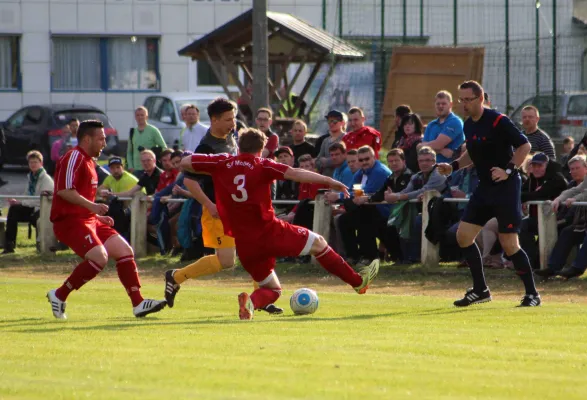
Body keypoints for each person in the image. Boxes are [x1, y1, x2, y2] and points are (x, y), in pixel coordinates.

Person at [180, 128, 380, 320]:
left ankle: (251, 302)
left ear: (239, 146)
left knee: (273, 290)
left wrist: (212, 166)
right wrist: (329, 181)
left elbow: (186, 162)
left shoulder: (222, 162)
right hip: (270, 232)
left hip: (244, 244)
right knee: (319, 243)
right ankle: (357, 282)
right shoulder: (262, 165)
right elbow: (296, 173)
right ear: (260, 149)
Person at [163, 98, 284, 315]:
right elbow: (189, 181)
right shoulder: (206, 146)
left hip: (237, 208)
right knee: (226, 261)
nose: (233, 122)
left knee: (256, 251)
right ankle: (175, 277)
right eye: (228, 119)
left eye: (234, 118)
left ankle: (262, 299)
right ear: (214, 119)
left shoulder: (232, 137)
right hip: (218, 211)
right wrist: (209, 205)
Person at [46, 120, 167, 319]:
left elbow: (80, 197)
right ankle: (59, 295)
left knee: (125, 251)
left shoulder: (90, 162)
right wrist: (93, 207)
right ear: (87, 139)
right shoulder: (73, 156)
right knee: (99, 257)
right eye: (101, 138)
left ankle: (138, 303)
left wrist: (96, 217)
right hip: (68, 221)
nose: (105, 143)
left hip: (88, 220)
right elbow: (64, 191)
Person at [437, 80, 540, 307]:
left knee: (509, 243)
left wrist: (508, 170)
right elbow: (472, 154)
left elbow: (524, 146)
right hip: (484, 188)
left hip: (506, 187)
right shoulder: (468, 125)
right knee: (463, 236)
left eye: (468, 99)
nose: (464, 104)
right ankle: (480, 290)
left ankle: (532, 294)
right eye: (461, 100)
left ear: (480, 98)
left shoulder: (498, 120)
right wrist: (453, 166)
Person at [2, 150, 54, 254]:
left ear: (41, 163)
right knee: (13, 210)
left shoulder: (46, 179)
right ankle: (9, 245)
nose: (33, 164)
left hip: (43, 210)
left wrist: (22, 203)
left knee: (36, 218)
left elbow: (41, 200)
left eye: (35, 162)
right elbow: (27, 196)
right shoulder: (31, 177)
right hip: (31, 207)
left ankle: (42, 246)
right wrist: (17, 201)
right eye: (31, 162)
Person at [420, 90, 464, 163]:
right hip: (432, 169)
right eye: (438, 104)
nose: (440, 106)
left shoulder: (455, 122)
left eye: (444, 104)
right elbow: (421, 150)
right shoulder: (431, 125)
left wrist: (432, 147)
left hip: (450, 170)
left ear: (450, 104)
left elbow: (437, 145)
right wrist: (441, 150)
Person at [126, 106, 167, 174]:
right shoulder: (132, 132)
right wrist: (130, 166)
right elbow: (129, 151)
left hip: (151, 168)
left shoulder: (153, 130)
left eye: (142, 115)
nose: (140, 117)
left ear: (146, 117)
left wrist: (150, 150)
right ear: (135, 117)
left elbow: (164, 148)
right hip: (136, 169)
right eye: (138, 115)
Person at [315, 110, 347, 177]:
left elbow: (345, 159)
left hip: (341, 177)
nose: (331, 124)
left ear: (342, 123)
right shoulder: (325, 141)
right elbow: (317, 161)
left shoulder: (346, 138)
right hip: (325, 179)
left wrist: (326, 162)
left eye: (334, 122)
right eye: (329, 121)